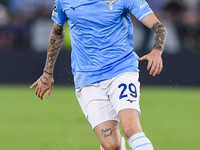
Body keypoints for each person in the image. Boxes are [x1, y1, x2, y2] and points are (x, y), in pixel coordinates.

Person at [30, 0, 167, 149]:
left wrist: (156, 51)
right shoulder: (64, 1)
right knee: (111, 145)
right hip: (87, 79)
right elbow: (57, 32)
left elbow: (158, 27)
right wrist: (47, 73)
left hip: (121, 69)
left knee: (130, 129)